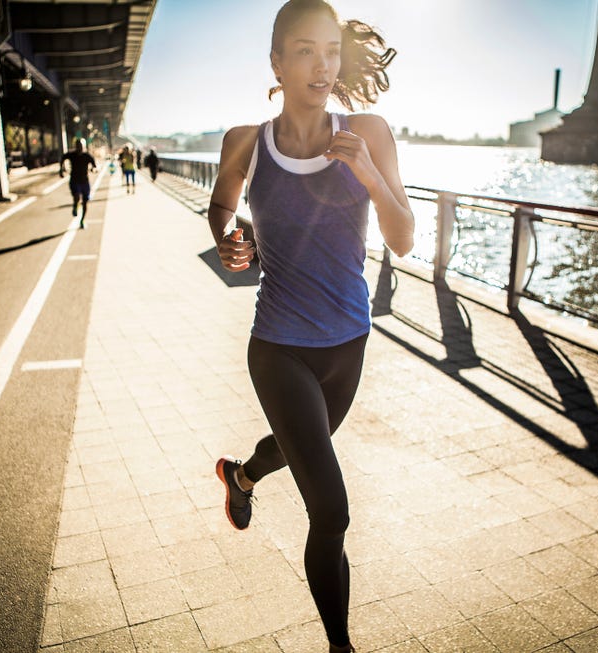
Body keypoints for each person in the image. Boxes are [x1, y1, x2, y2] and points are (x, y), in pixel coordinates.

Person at [208, 2, 414, 651]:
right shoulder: (245, 139)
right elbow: (221, 201)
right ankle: (341, 646)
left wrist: (372, 178)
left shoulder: (370, 131)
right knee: (330, 506)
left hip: (347, 345)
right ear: (277, 63)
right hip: (277, 347)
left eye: (330, 50)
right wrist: (226, 236)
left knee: (296, 447)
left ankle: (241, 475)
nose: (321, 64)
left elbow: (404, 239)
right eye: (304, 50)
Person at [59, 139, 97, 228]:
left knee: (85, 202)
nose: (79, 147)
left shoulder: (87, 156)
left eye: (81, 145)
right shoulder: (72, 155)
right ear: (75, 146)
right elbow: (63, 158)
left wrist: (93, 169)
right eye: (77, 145)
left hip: (85, 182)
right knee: (76, 196)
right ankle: (75, 205)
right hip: (74, 181)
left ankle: (82, 220)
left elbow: (94, 166)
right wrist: (61, 170)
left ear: (84, 146)